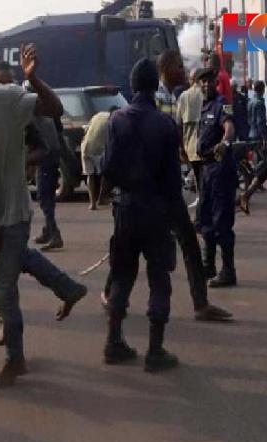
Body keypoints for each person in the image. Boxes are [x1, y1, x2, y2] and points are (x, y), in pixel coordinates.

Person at [0, 45, 87, 387]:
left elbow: (54, 109)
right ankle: (68, 288)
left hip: (14, 213)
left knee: (4, 290)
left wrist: (33, 79)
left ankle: (15, 360)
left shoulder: (9, 98)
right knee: (21, 258)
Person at [102, 58, 181, 372]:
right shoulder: (165, 124)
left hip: (126, 208)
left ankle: (113, 342)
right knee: (159, 278)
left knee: (122, 275)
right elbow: (173, 182)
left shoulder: (116, 120)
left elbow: (108, 168)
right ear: (154, 86)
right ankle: (155, 350)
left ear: (133, 86)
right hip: (156, 210)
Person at [196, 68, 238, 288]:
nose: (205, 85)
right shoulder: (204, 107)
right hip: (206, 171)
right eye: (201, 82)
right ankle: (208, 266)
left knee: (222, 221)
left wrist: (225, 142)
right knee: (205, 220)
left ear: (215, 82)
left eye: (209, 81)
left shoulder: (222, 104)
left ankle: (228, 271)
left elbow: (229, 128)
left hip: (220, 171)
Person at [240, 80, 267, 213]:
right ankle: (246, 194)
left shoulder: (254, 100)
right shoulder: (262, 101)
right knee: (266, 167)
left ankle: (247, 194)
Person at [28, 116, 64, 251]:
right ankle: (48, 230)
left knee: (44, 199)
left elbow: (44, 148)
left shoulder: (36, 122)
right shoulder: (48, 120)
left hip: (46, 163)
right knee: (49, 198)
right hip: (52, 163)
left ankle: (54, 234)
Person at [177, 68, 205, 208]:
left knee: (198, 175)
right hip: (206, 145)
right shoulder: (206, 95)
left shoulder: (184, 96)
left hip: (190, 146)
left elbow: (178, 123)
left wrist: (181, 147)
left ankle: (201, 200)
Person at [81, 108, 116, 210]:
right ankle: (101, 198)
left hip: (85, 147)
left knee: (90, 175)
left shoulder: (98, 115)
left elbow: (86, 129)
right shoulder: (112, 121)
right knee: (105, 174)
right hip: (98, 150)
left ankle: (92, 204)